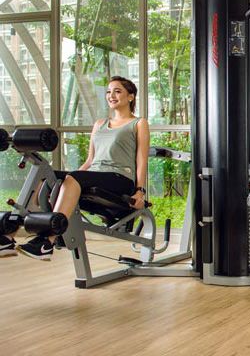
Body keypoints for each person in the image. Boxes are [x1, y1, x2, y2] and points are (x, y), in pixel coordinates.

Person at [0, 76, 150, 260]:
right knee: (46, 175)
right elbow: (90, 160)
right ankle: (9, 235)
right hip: (95, 174)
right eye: (109, 92)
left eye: (117, 91)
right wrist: (71, 177)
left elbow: (141, 159)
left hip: (120, 179)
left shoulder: (138, 123)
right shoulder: (99, 124)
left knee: (73, 178)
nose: (111, 95)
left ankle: (48, 241)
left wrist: (140, 191)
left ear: (131, 96)